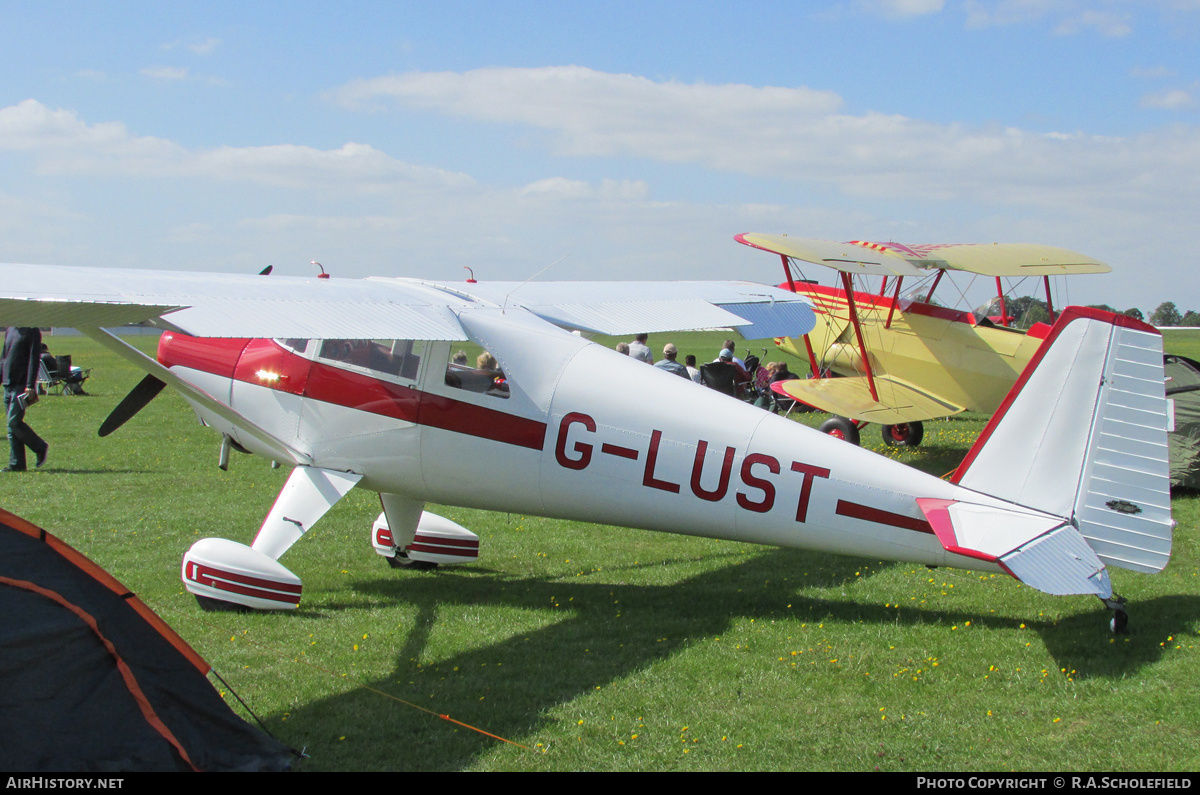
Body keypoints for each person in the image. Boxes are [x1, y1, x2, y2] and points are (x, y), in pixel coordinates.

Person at [3, 327, 49, 471]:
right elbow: (4, 358)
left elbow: (34, 359)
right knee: (11, 428)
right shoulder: (10, 329)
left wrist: (30, 385)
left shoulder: (32, 331)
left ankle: (40, 446)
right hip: (8, 383)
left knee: (14, 422)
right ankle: (17, 464)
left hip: (21, 384)